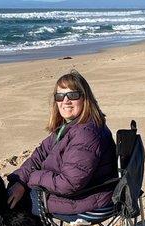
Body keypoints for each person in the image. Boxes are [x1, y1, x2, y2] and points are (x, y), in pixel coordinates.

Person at [7, 69, 117, 216]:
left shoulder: (86, 133)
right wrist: (19, 181)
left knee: (13, 203)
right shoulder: (69, 127)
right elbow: (39, 156)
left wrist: (32, 179)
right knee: (13, 189)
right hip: (79, 193)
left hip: (86, 199)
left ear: (85, 98)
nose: (65, 101)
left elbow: (69, 184)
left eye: (72, 95)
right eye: (60, 96)